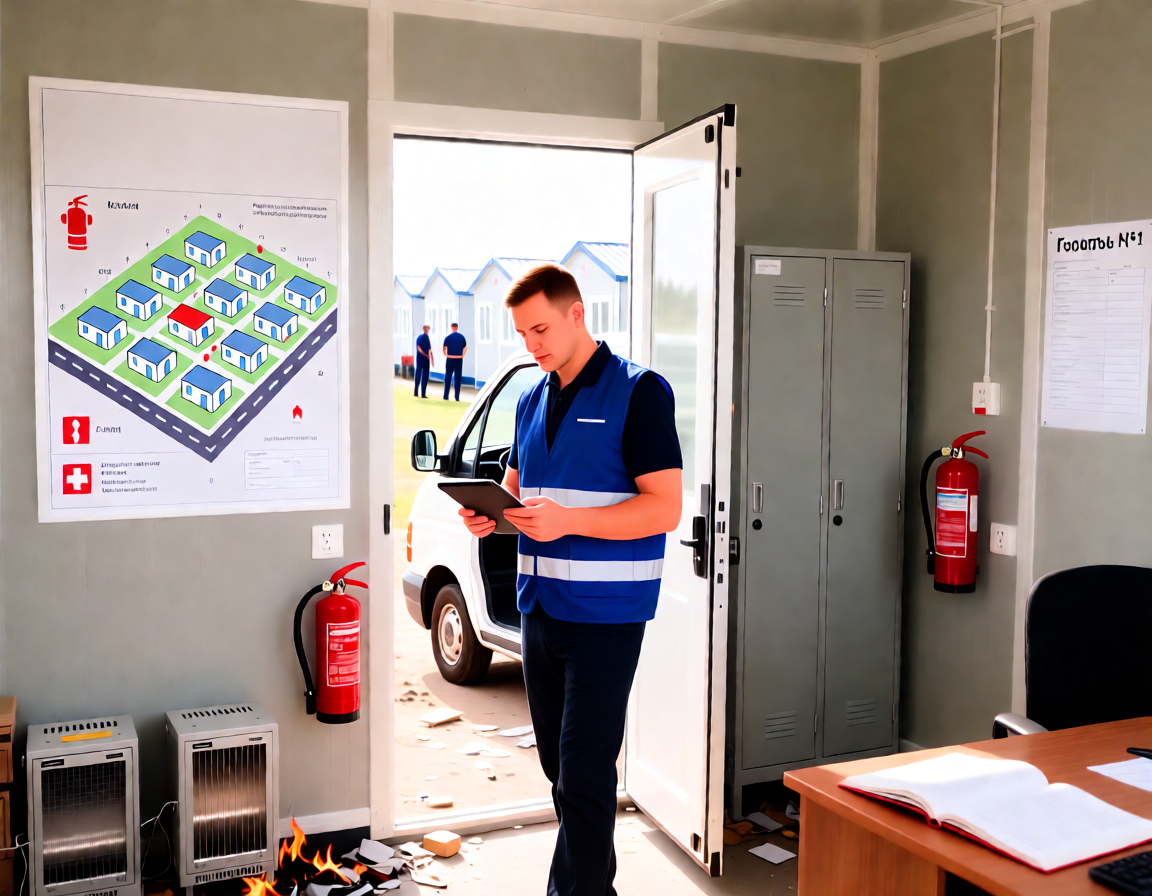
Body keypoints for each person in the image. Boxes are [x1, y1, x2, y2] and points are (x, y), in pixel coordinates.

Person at [459, 264, 682, 896]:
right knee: (562, 771)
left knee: (584, 773)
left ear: (577, 314)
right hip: (540, 610)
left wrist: (568, 522)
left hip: (607, 617)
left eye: (541, 329)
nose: (531, 345)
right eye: (521, 334)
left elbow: (664, 508)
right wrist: (490, 515)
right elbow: (518, 493)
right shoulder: (531, 399)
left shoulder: (640, 393)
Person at [442, 322, 467, 401]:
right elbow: (466, 347)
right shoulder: (461, 337)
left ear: (451, 328)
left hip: (450, 358)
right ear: (457, 327)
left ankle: (446, 395)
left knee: (448, 377)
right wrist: (462, 355)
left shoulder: (448, 337)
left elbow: (444, 348)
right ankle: (457, 396)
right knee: (457, 378)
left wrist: (446, 354)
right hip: (458, 359)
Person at [414, 324, 433, 398]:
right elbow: (421, 348)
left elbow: (427, 348)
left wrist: (430, 357)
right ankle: (422, 393)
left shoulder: (420, 337)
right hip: (424, 359)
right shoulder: (425, 337)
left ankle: (416, 392)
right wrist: (427, 355)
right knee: (424, 375)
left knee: (418, 373)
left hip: (419, 358)